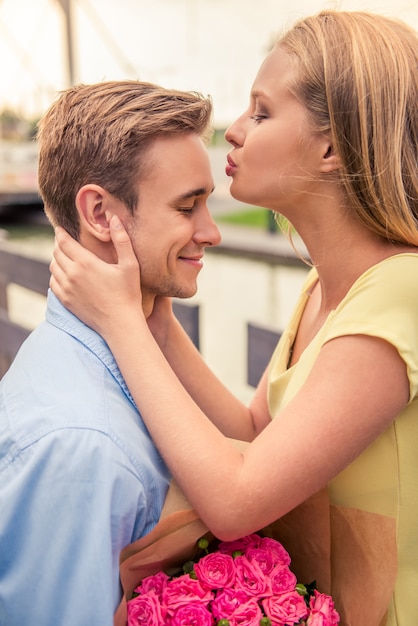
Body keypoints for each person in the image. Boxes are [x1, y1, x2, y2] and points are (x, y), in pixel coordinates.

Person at [49, 11, 418, 626]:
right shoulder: (323, 288)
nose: (236, 131)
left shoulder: (401, 290)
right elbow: (255, 438)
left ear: (332, 147)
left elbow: (236, 500)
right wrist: (158, 323)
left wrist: (120, 324)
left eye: (262, 112)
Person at [0, 80, 221, 626]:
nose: (212, 231)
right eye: (188, 206)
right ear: (100, 214)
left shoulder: (81, 367)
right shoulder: (85, 446)